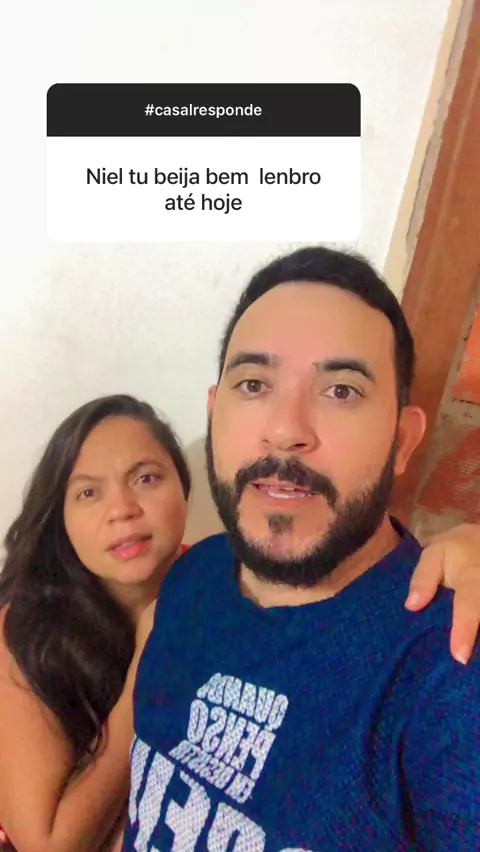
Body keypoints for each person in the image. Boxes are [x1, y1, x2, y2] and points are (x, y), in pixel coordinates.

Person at [124, 246, 480, 850]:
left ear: (402, 440)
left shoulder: (448, 669)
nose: (286, 430)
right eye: (253, 384)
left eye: (340, 390)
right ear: (214, 413)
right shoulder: (194, 576)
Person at [0, 395, 190, 852]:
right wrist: (147, 665)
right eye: (88, 493)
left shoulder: (218, 584)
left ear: (184, 487)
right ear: (61, 519)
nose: (122, 508)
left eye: (145, 478)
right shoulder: (24, 630)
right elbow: (48, 845)